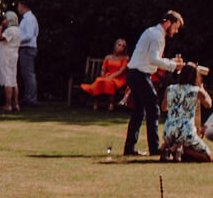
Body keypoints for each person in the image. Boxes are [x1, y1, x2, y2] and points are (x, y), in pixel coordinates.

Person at [123, 10, 185, 157]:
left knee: (138, 112)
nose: (175, 32)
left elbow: (151, 58)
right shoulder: (157, 36)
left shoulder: (151, 31)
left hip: (134, 74)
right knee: (153, 109)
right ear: (168, 22)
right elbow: (153, 59)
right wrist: (173, 65)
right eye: (175, 27)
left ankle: (129, 149)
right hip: (139, 75)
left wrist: (170, 62)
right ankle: (154, 148)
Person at [79, 39, 130, 110]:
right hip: (108, 76)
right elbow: (103, 68)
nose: (121, 47)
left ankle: (111, 104)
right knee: (99, 80)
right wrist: (103, 75)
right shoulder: (108, 57)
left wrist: (110, 77)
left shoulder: (125, 58)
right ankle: (96, 103)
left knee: (109, 82)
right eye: (119, 45)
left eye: (123, 46)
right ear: (115, 46)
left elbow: (121, 71)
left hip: (119, 78)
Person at [0, 10, 23, 113]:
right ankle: (16, 103)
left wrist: (0, 27)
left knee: (8, 80)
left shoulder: (9, 30)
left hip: (7, 56)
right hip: (14, 55)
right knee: (13, 80)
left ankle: (8, 104)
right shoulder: (18, 30)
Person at [15, 0, 40, 107]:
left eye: (19, 6)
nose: (18, 8)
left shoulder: (29, 19)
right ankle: (28, 97)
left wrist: (16, 41)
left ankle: (31, 99)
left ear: (23, 5)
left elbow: (29, 36)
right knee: (26, 74)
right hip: (26, 48)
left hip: (27, 48)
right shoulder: (27, 18)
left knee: (29, 74)